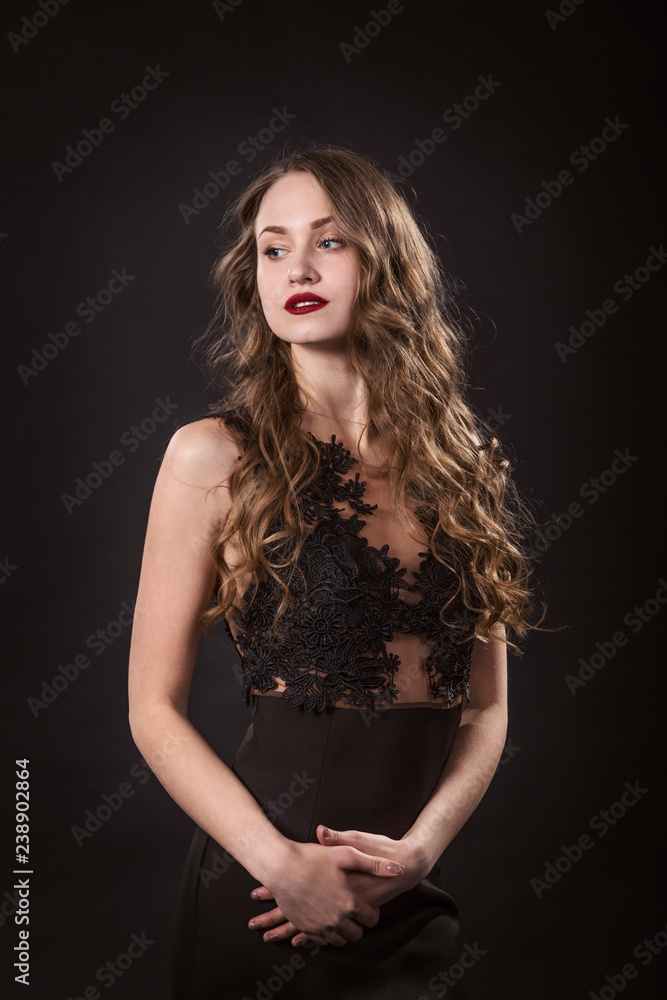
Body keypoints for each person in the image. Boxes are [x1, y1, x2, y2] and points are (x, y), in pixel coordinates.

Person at [128, 144, 540, 999]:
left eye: (330, 241)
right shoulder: (212, 455)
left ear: (384, 259)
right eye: (273, 249)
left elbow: (486, 707)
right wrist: (278, 863)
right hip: (263, 894)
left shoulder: (466, 462)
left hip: (407, 896)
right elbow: (151, 709)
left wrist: (421, 852)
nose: (297, 268)